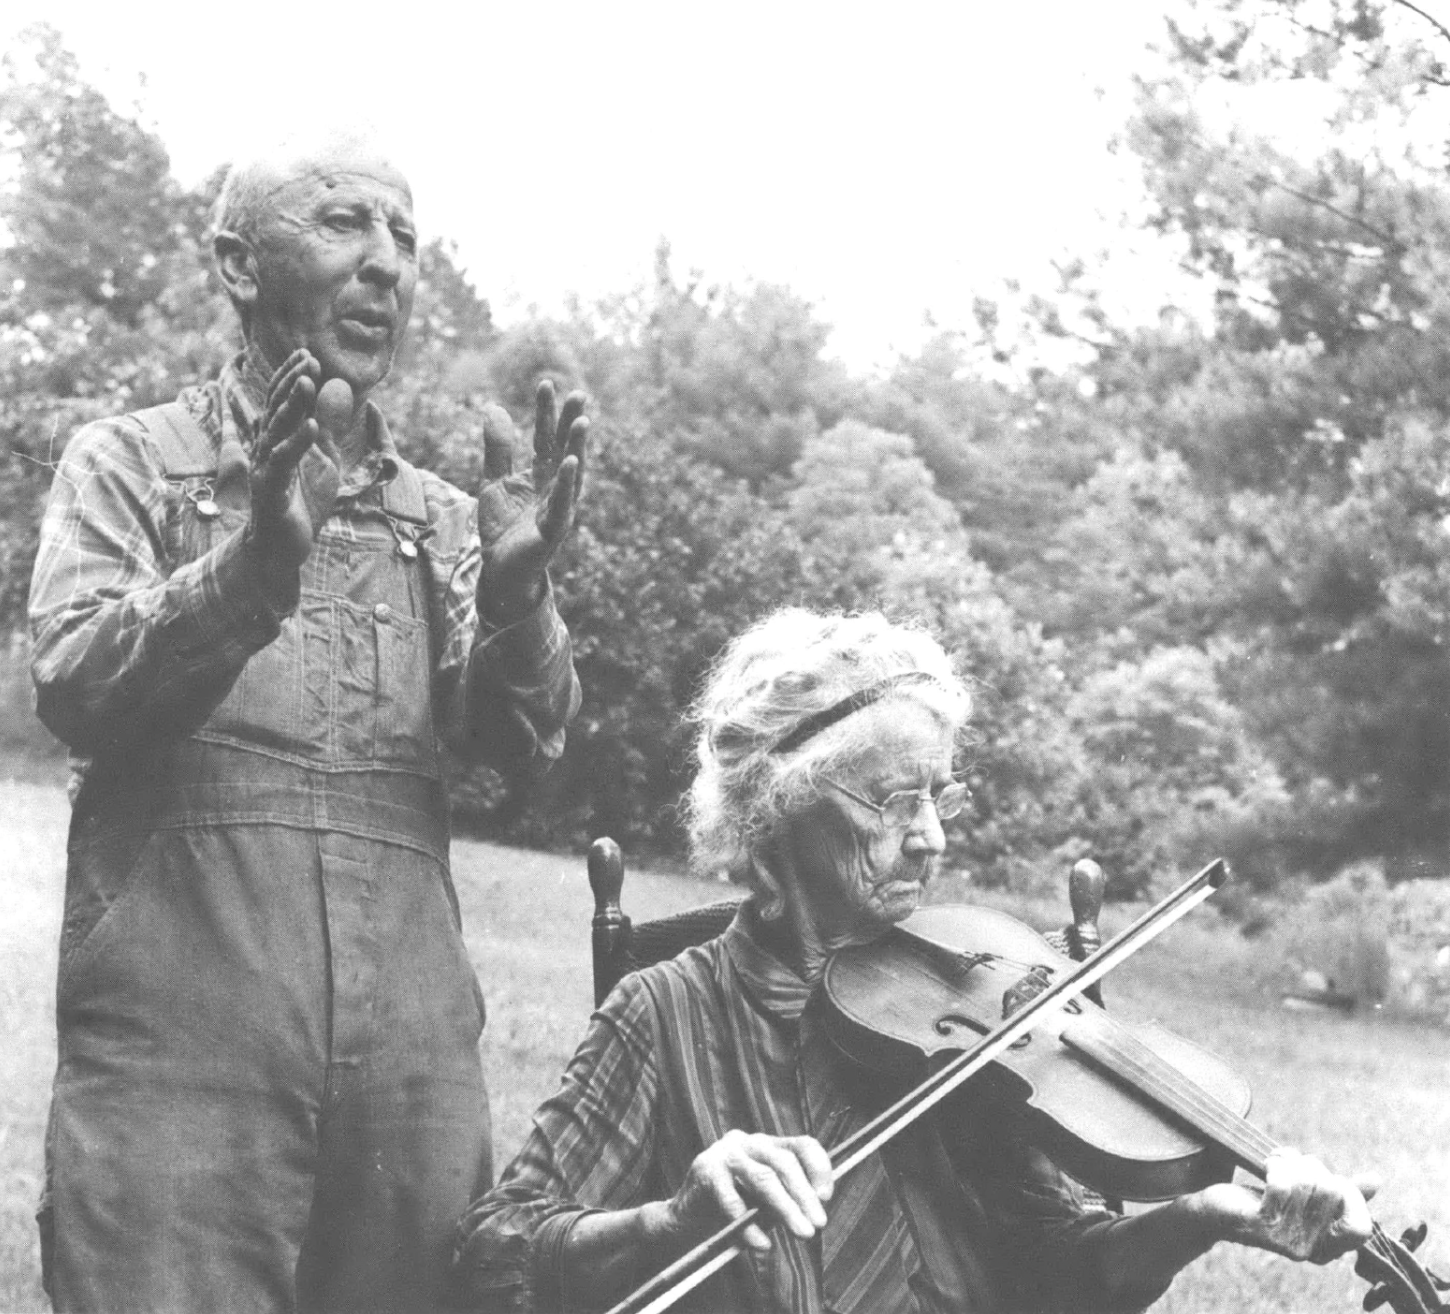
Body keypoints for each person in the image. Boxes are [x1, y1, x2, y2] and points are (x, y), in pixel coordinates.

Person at [28, 127, 586, 1314]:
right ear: (238, 266)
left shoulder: (443, 515)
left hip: (413, 1068)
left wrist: (519, 599)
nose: (388, 262)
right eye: (346, 224)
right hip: (179, 1051)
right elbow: (73, 677)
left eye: (405, 237)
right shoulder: (129, 463)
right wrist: (248, 572)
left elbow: (525, 753)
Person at [452, 609, 1374, 1314]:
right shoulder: (667, 1013)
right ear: (776, 812)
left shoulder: (975, 1002)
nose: (931, 838)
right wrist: (674, 1220)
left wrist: (1199, 1216)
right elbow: (496, 1253)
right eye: (895, 803)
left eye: (940, 796)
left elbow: (1056, 1271)